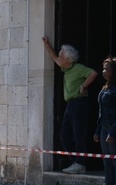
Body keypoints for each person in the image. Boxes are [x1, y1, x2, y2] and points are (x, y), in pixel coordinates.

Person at [42, 37, 98, 174]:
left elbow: (93, 73)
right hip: (70, 104)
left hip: (79, 103)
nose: (59, 59)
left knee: (78, 135)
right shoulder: (65, 68)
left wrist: (83, 86)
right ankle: (77, 160)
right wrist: (47, 44)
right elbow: (54, 57)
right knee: (64, 135)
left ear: (68, 60)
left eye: (62, 57)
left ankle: (80, 163)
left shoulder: (78, 68)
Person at [94, 58, 116, 185]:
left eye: (106, 69)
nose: (103, 71)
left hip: (113, 129)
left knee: (115, 162)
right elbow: (101, 112)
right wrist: (98, 130)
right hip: (103, 128)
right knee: (106, 162)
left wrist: (113, 133)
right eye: (103, 68)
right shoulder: (104, 88)